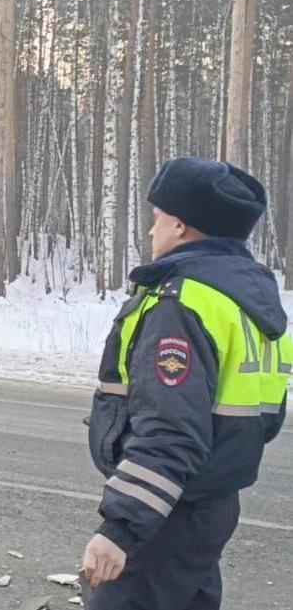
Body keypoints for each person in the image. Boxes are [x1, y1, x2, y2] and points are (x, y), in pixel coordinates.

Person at [82, 157, 290, 609]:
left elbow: (171, 431)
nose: (151, 230)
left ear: (180, 226)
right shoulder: (244, 301)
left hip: (167, 514)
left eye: (157, 218)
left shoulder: (181, 303)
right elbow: (265, 420)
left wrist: (120, 529)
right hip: (212, 506)